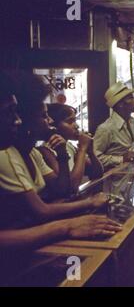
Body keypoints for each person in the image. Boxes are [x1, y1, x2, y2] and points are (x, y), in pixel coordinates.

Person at [0, 71, 121, 248]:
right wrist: (76, 216)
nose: (16, 121)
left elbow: (61, 190)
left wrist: (65, 155)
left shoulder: (32, 152)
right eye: (9, 113)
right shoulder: (8, 155)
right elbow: (42, 210)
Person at [39, 103, 103, 193]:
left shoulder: (69, 146)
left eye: (75, 120)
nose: (76, 126)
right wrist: (82, 149)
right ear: (54, 126)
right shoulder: (46, 150)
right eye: (70, 122)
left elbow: (97, 173)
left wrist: (90, 152)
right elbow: (71, 187)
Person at [93, 82, 134, 170]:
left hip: (128, 176)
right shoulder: (106, 129)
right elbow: (94, 157)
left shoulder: (130, 121)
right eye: (130, 98)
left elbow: (122, 148)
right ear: (120, 104)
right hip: (114, 180)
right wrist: (121, 159)